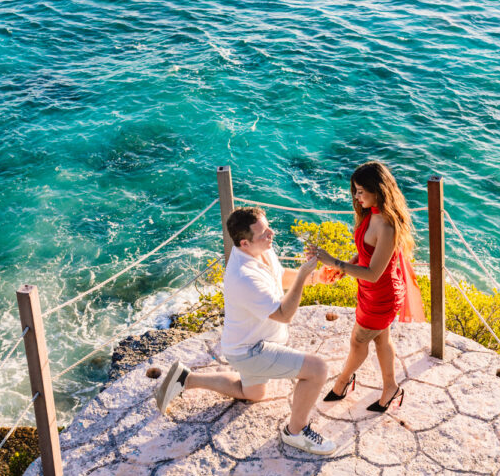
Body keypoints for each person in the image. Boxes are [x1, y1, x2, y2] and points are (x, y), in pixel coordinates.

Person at [153, 206, 337, 455]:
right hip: (251, 350)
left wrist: (315, 279)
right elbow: (284, 314)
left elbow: (279, 276)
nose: (271, 233)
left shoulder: (262, 251)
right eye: (263, 233)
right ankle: (295, 432)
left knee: (253, 393)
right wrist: (304, 274)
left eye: (268, 226)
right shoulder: (243, 275)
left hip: (245, 344)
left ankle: (185, 378)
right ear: (244, 243)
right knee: (317, 369)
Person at [306, 161, 422, 413]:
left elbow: (373, 273)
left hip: (381, 296)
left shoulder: (387, 226)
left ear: (378, 190)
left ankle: (342, 382)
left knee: (358, 343)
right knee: (382, 340)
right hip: (370, 292)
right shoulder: (371, 215)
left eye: (361, 191)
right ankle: (390, 388)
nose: (356, 197)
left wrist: (333, 261)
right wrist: (344, 266)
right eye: (355, 191)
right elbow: (365, 256)